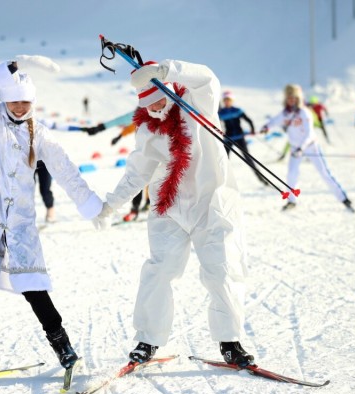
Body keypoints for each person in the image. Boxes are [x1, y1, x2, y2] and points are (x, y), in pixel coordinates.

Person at [0, 59, 103, 377]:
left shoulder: (41, 135)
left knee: (32, 285)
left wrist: (90, 204)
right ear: (4, 99)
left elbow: (66, 170)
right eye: (14, 100)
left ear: (33, 102)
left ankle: (64, 347)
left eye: (25, 101)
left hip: (19, 221)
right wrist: (10, 67)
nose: (19, 107)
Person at [93, 59, 255, 367]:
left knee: (221, 270)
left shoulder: (197, 104)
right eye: (148, 105)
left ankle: (230, 342)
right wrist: (111, 204)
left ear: (170, 92)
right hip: (169, 206)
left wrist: (166, 70)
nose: (155, 109)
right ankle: (148, 340)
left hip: (212, 203)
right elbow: (138, 171)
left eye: (159, 101)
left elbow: (207, 77)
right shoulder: (147, 128)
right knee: (159, 269)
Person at [262, 84, 353, 212]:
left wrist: (302, 148)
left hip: (310, 147)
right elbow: (275, 121)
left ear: (298, 99)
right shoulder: (285, 113)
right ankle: (291, 201)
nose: (291, 100)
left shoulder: (305, 112)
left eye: (294, 98)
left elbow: (309, 134)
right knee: (291, 175)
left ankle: (343, 198)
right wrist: (267, 126)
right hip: (295, 149)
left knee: (324, 173)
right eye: (289, 98)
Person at [218, 90, 268, 186]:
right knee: (224, 159)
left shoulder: (237, 110)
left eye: (229, 100)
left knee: (248, 159)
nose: (227, 102)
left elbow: (249, 120)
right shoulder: (221, 113)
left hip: (240, 137)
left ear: (232, 101)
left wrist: (252, 129)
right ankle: (222, 181)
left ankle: (261, 178)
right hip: (229, 138)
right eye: (225, 100)